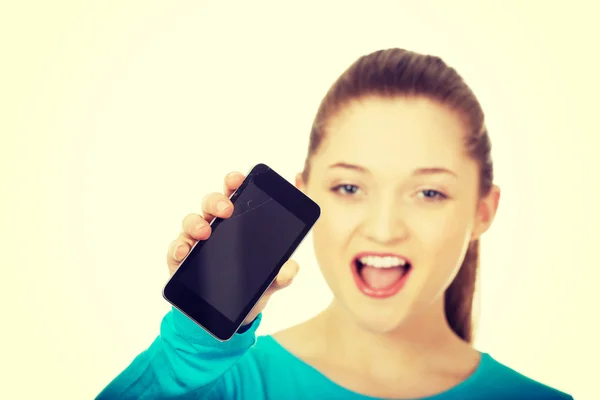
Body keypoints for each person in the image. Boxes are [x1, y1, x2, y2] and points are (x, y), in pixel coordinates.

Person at [96, 48, 573, 399]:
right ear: (305, 194)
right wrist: (193, 344)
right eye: (349, 188)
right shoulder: (227, 386)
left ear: (482, 212)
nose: (384, 229)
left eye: (429, 192)